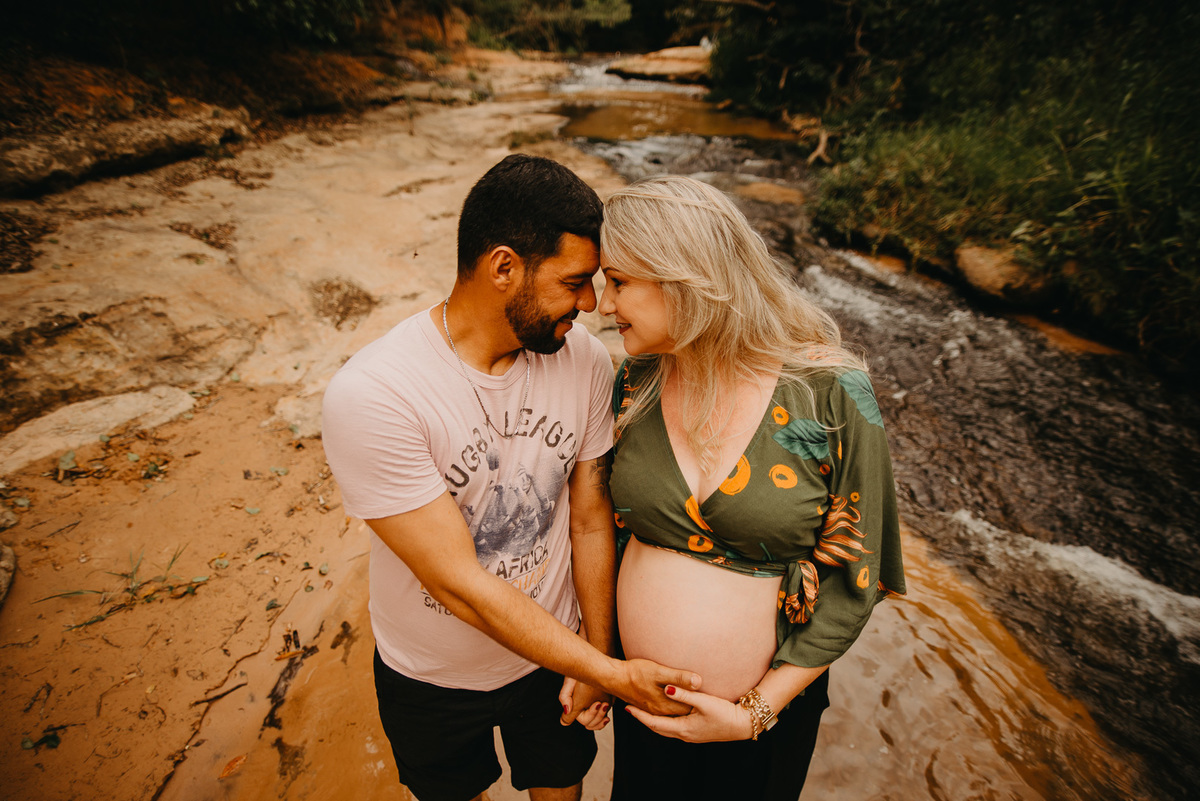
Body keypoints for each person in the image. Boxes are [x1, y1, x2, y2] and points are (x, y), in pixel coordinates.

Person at [321, 155, 697, 801]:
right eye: (575, 281)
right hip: (429, 675)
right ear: (503, 267)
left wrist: (592, 653)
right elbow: (458, 583)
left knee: (560, 785)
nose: (592, 305)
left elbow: (588, 518)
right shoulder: (376, 393)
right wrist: (609, 669)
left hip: (550, 662)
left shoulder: (581, 359)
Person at [596, 175, 907, 800]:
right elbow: (597, 526)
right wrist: (597, 661)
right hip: (641, 709)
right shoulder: (634, 382)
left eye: (620, 282)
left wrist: (754, 713)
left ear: (684, 279)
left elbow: (858, 575)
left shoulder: (832, 391)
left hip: (763, 726)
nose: (603, 304)